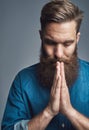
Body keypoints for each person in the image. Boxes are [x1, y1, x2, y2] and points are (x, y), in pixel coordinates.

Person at [1, 0, 89, 130]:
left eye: (67, 44)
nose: (58, 54)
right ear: (41, 37)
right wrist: (48, 112)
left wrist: (70, 112)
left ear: (77, 39)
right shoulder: (23, 81)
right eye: (50, 42)